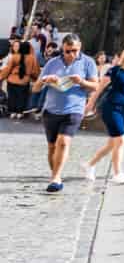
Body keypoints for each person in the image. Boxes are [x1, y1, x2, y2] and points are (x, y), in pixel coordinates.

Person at [33, 34, 100, 192]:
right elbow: (35, 88)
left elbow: (96, 86)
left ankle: (56, 178)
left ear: (80, 47)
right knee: (51, 147)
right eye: (68, 51)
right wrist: (45, 80)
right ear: (62, 49)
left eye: (75, 50)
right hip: (51, 110)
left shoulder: (88, 62)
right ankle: (55, 174)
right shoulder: (52, 63)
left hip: (74, 109)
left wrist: (81, 81)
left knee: (63, 142)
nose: (72, 54)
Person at [84, 43, 124, 183]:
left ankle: (90, 165)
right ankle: (117, 173)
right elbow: (99, 89)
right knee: (121, 139)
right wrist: (89, 105)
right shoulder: (115, 71)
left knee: (113, 143)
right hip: (111, 108)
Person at [3, 36, 38, 118]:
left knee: (12, 97)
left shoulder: (14, 57)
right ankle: (19, 112)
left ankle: (12, 112)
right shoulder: (32, 58)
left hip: (11, 80)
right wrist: (35, 79)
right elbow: (35, 71)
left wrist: (1, 76)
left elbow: (7, 70)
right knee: (22, 97)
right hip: (24, 81)